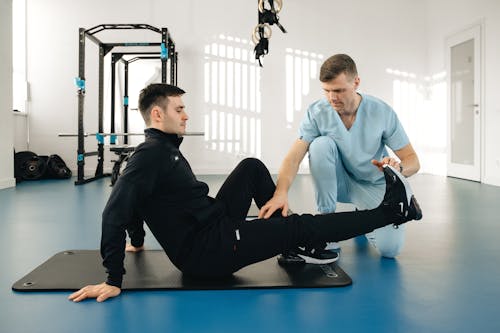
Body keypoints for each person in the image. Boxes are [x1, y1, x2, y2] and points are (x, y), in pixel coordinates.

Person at [68, 83, 422, 303]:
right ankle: (394, 212)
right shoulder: (151, 156)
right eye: (180, 109)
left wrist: (139, 240)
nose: (187, 115)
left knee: (252, 166)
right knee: (300, 226)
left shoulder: (163, 149)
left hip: (212, 223)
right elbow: (116, 210)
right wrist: (113, 279)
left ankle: (293, 246)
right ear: (158, 114)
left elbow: (139, 202)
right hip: (210, 252)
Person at [259, 54, 420, 258]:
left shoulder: (381, 112)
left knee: (390, 250)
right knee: (319, 145)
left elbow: (413, 161)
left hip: (373, 184)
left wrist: (397, 169)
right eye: (326, 91)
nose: (332, 98)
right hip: (340, 182)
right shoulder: (317, 112)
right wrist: (280, 193)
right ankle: (326, 223)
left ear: (356, 82)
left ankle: (362, 216)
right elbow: (293, 157)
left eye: (338, 90)